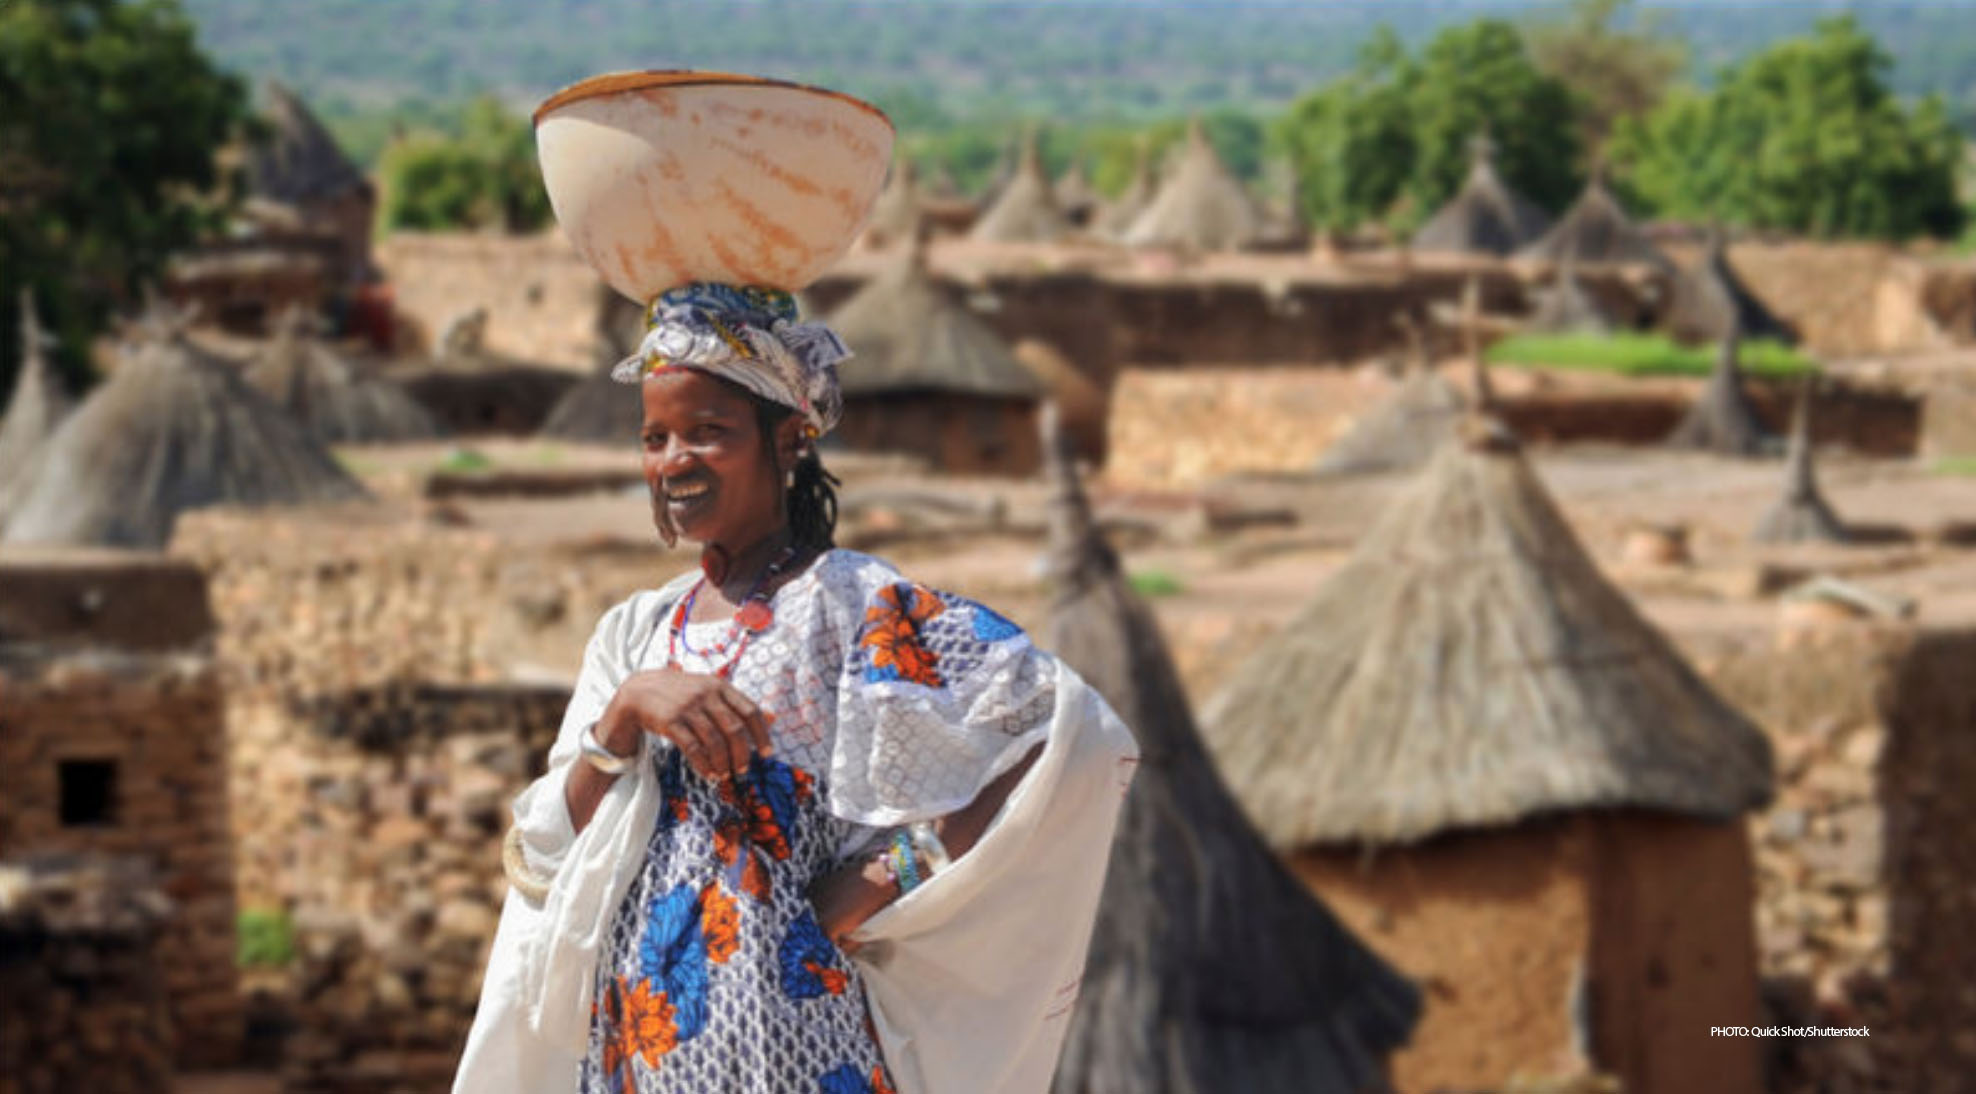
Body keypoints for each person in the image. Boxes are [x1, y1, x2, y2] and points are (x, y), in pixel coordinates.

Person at [451, 278, 1138, 1094]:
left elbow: (1070, 732)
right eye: (655, 436)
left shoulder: (856, 604)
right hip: (640, 1033)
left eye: (709, 432)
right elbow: (548, 848)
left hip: (795, 1032)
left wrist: (876, 884)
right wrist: (630, 711)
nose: (674, 461)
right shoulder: (636, 633)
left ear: (788, 441)